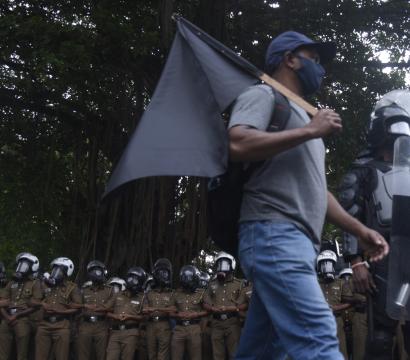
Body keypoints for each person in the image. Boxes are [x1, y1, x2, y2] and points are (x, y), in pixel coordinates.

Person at [228, 30, 389, 360]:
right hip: (273, 233)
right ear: (290, 60)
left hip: (298, 241)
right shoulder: (264, 96)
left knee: (263, 351)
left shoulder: (305, 118)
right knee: (318, 338)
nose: (321, 69)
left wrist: (360, 231)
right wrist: (311, 130)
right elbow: (238, 143)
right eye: (314, 60)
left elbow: (318, 191)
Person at [339, 90, 410, 359]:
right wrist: (356, 262)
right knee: (382, 333)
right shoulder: (363, 171)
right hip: (381, 258)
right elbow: (348, 217)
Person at [34, 257, 82, 360]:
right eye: (54, 269)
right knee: (40, 356)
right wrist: (42, 304)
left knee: (61, 356)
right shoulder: (44, 284)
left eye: (59, 270)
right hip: (44, 325)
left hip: (62, 326)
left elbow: (78, 307)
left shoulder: (72, 287)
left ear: (66, 272)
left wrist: (62, 311)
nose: (56, 272)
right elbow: (32, 301)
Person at [203, 252, 247, 360]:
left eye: (225, 264)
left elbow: (244, 304)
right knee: (217, 355)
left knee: (234, 354)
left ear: (232, 265)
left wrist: (230, 308)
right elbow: (205, 302)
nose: (221, 266)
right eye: (219, 264)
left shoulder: (239, 284)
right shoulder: (212, 284)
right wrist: (212, 308)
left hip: (232, 323)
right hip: (216, 324)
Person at [0, 252, 42, 360]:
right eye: (20, 264)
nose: (21, 267)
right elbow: (2, 302)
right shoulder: (11, 283)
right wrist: (7, 317)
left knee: (22, 355)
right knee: (2, 353)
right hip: (7, 319)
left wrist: (17, 315)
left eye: (24, 265)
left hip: (23, 319)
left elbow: (36, 304)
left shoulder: (35, 283)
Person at [317, 250, 353, 359]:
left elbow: (350, 302)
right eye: (324, 263)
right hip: (319, 323)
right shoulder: (315, 282)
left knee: (341, 352)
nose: (327, 266)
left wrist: (335, 308)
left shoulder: (341, 282)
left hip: (337, 321)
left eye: (329, 263)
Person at [106, 266, 146, 360]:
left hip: (131, 333)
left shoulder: (142, 298)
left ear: (140, 282)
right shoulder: (118, 294)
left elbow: (144, 317)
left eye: (135, 279)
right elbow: (107, 311)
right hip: (115, 332)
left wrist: (130, 317)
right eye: (130, 278)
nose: (131, 281)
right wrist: (115, 316)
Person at [77, 260, 114, 360]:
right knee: (83, 355)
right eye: (95, 271)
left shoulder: (109, 290)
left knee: (101, 355)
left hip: (101, 325)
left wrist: (102, 309)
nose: (98, 274)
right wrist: (85, 306)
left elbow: (112, 307)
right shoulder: (84, 290)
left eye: (100, 271)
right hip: (85, 324)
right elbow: (77, 306)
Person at [170, 265, 208, 360]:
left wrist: (196, 314)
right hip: (179, 328)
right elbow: (170, 312)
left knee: (196, 357)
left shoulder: (202, 293)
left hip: (194, 328)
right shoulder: (176, 293)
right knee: (176, 357)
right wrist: (178, 314)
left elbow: (208, 311)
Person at [144, 258, 174, 360]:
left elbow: (173, 309)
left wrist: (155, 309)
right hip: (150, 325)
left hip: (164, 325)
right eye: (161, 272)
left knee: (163, 355)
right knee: (151, 353)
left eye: (165, 273)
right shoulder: (149, 293)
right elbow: (144, 309)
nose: (163, 275)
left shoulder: (171, 293)